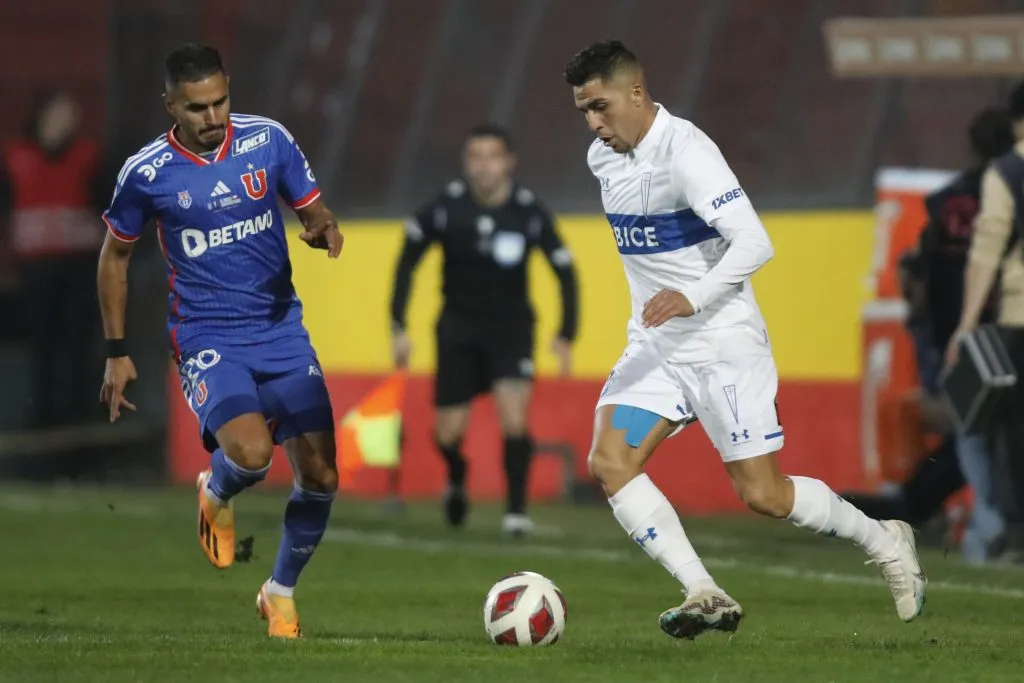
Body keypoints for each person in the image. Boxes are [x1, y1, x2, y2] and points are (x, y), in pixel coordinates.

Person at [564, 40, 925, 639]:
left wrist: (692, 296)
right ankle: (702, 590)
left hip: (724, 342)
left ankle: (884, 538)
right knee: (609, 460)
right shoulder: (603, 160)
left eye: (600, 106)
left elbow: (755, 242)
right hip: (658, 347)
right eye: (583, 111)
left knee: (764, 494)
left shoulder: (689, 154)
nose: (594, 124)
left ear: (636, 92)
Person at [97, 44, 343, 639]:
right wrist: (117, 351)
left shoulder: (269, 141)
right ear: (171, 106)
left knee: (323, 477)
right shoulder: (148, 173)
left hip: (281, 329)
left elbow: (313, 209)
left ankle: (278, 592)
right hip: (209, 336)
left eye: (220, 102)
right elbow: (115, 258)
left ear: (230, 88)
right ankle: (218, 487)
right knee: (254, 454)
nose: (212, 118)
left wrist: (322, 227)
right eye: (197, 108)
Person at [389, 124, 579, 536]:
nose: (483, 166)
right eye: (475, 157)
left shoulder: (528, 211)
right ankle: (457, 476)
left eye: (492, 156)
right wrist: (398, 324)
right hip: (457, 328)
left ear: (509, 162)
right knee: (447, 434)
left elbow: (564, 269)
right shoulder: (446, 207)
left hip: (510, 328)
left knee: (514, 419)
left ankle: (515, 512)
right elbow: (408, 259)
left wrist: (566, 333)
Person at [1, 90, 108, 428]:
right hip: (34, 268)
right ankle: (43, 414)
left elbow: (108, 207)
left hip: (79, 266)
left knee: (78, 341)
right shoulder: (14, 158)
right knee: (42, 344)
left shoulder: (89, 158)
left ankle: (81, 414)